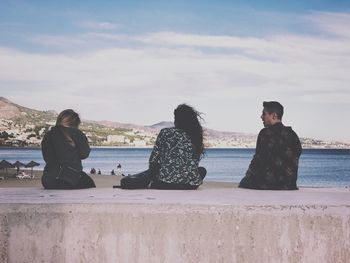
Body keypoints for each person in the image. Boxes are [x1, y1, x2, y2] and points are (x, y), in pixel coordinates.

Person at [123, 104, 206, 190]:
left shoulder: (165, 132)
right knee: (202, 170)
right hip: (190, 185)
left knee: (156, 170)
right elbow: (193, 163)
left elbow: (154, 160)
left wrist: (152, 174)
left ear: (177, 120)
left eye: (175, 118)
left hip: (164, 184)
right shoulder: (195, 136)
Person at [239, 101, 302, 190]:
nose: (261, 117)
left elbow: (257, 161)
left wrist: (247, 178)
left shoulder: (265, 133)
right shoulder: (293, 135)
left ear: (274, 116)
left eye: (264, 114)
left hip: (268, 185)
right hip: (289, 185)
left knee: (244, 183)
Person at [41, 109, 96, 189]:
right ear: (76, 122)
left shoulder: (48, 135)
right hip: (68, 180)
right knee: (90, 184)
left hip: (48, 180)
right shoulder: (77, 133)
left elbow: (46, 157)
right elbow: (84, 154)